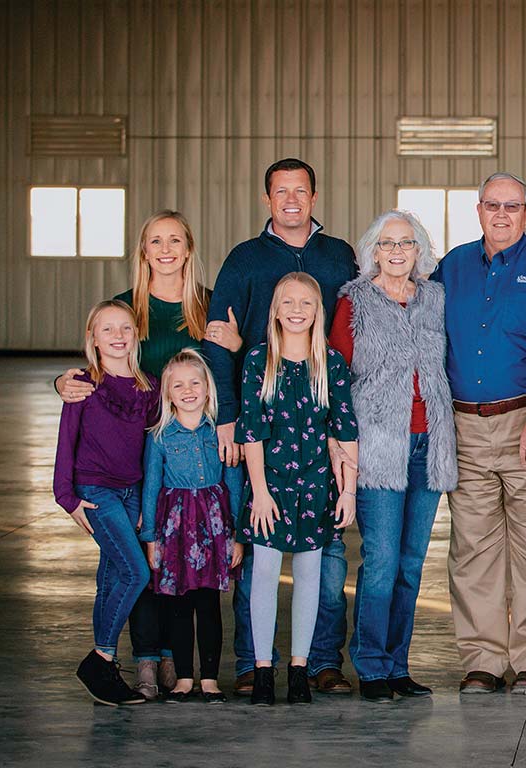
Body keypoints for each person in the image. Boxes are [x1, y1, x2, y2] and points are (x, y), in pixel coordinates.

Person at [55, 210, 241, 700]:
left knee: (162, 562)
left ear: (188, 248)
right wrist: (62, 382)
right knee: (134, 559)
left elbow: (228, 368)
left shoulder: (207, 305)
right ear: (143, 251)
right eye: (155, 240)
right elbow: (95, 362)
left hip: (188, 449)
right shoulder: (126, 307)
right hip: (132, 447)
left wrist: (238, 348)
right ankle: (143, 659)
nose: (165, 249)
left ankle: (166, 661)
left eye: (175, 239)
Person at [201, 158, 359, 695]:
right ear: (267, 198)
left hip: (320, 430)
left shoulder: (338, 257)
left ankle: (319, 662)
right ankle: (253, 663)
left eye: (300, 190)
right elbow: (219, 339)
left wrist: (346, 440)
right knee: (258, 561)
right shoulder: (245, 260)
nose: (291, 199)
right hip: (262, 428)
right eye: (280, 191)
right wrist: (226, 415)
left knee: (329, 565)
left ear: (314, 196)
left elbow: (357, 325)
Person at [430, 172, 526, 695]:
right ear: (479, 210)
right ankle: (483, 661)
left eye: (512, 206)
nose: (502, 214)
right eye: (492, 205)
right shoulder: (452, 267)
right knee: (473, 550)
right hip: (464, 424)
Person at [329, 210, 459, 701]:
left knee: (410, 564)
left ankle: (398, 665)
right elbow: (337, 375)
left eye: (407, 242)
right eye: (388, 244)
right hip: (380, 444)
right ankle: (371, 667)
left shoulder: (435, 299)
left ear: (420, 250)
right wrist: (340, 444)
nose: (398, 251)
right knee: (380, 561)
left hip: (430, 443)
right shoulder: (353, 302)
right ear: (373, 252)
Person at [235, 273, 359, 706]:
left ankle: (300, 668)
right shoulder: (258, 361)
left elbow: (344, 430)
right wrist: (260, 491)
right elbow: (252, 431)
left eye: (306, 302)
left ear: (317, 310)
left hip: (316, 485)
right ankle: (263, 670)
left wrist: (348, 491)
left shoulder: (330, 362)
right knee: (264, 574)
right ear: (275, 309)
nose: (296, 310)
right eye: (287, 302)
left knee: (310, 576)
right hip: (271, 485)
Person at [55, 300, 160, 706]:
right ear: (92, 339)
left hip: (131, 491)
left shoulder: (147, 388)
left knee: (112, 576)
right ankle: (100, 658)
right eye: (107, 329)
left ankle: (106, 666)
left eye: (125, 328)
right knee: (135, 572)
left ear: (136, 336)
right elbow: (67, 444)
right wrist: (67, 498)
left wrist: (148, 505)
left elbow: (151, 452)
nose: (118, 336)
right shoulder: (84, 384)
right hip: (96, 491)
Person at [140, 349, 245, 704]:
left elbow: (233, 483)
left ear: (207, 388)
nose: (188, 390)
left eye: (195, 382)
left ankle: (211, 679)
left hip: (214, 528)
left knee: (209, 604)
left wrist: (237, 535)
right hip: (174, 528)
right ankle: (185, 678)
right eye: (178, 384)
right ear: (168, 393)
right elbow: (152, 487)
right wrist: (151, 539)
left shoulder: (220, 432)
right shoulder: (159, 436)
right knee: (179, 606)